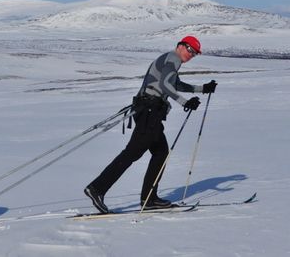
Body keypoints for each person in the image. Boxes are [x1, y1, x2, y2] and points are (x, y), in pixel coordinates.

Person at [84, 36, 217, 213]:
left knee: (161, 152)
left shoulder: (169, 60)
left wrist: (202, 88)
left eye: (194, 54)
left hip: (149, 112)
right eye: (190, 50)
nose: (191, 55)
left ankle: (149, 198)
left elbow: (174, 84)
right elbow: (165, 84)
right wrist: (184, 102)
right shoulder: (174, 58)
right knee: (132, 153)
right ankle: (97, 189)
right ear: (180, 46)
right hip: (149, 112)